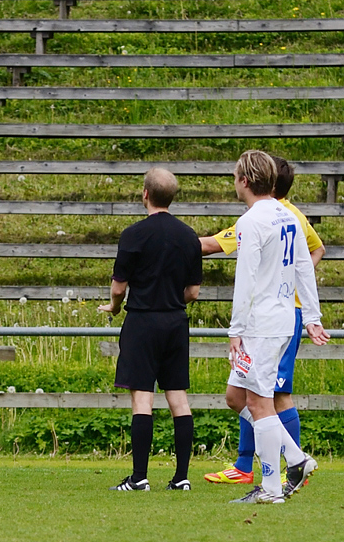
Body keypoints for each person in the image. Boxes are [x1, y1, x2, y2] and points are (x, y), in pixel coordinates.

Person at [200, 156, 325, 485]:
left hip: (262, 323)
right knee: (236, 396)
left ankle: (271, 485)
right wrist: (311, 316)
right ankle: (296, 458)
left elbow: (246, 279)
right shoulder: (289, 216)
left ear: (243, 181)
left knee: (258, 401)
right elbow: (304, 267)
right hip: (283, 317)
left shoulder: (251, 221)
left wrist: (235, 329)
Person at [99, 167, 202, 492]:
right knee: (179, 400)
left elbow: (118, 288)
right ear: (172, 196)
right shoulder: (189, 236)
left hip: (142, 321)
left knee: (142, 399)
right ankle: (181, 477)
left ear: (145, 194)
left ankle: (139, 477)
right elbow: (193, 293)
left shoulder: (134, 234)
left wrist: (114, 308)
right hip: (175, 322)